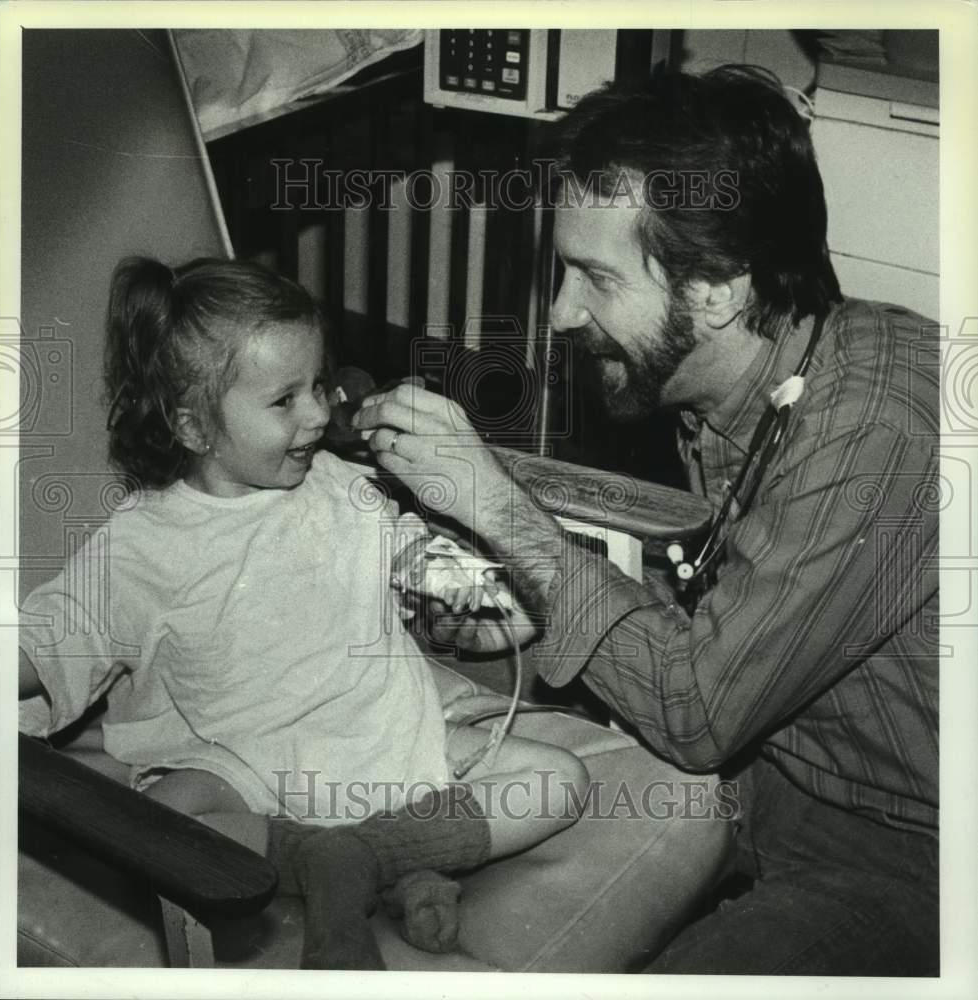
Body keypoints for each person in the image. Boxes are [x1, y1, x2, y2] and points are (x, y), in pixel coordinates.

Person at [354, 66, 940, 975]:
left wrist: (499, 506)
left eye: (593, 276)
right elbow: (733, 598)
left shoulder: (875, 429)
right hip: (768, 775)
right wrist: (533, 605)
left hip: (909, 850)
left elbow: (697, 713)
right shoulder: (743, 377)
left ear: (714, 291)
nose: (559, 312)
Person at [17, 256, 589, 970]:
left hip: (382, 740)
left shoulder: (341, 489)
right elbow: (47, 640)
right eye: (284, 400)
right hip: (243, 765)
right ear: (193, 426)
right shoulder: (139, 548)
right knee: (162, 820)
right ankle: (391, 863)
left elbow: (486, 610)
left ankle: (355, 858)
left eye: (318, 384)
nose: (320, 413)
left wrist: (452, 568)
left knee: (558, 781)